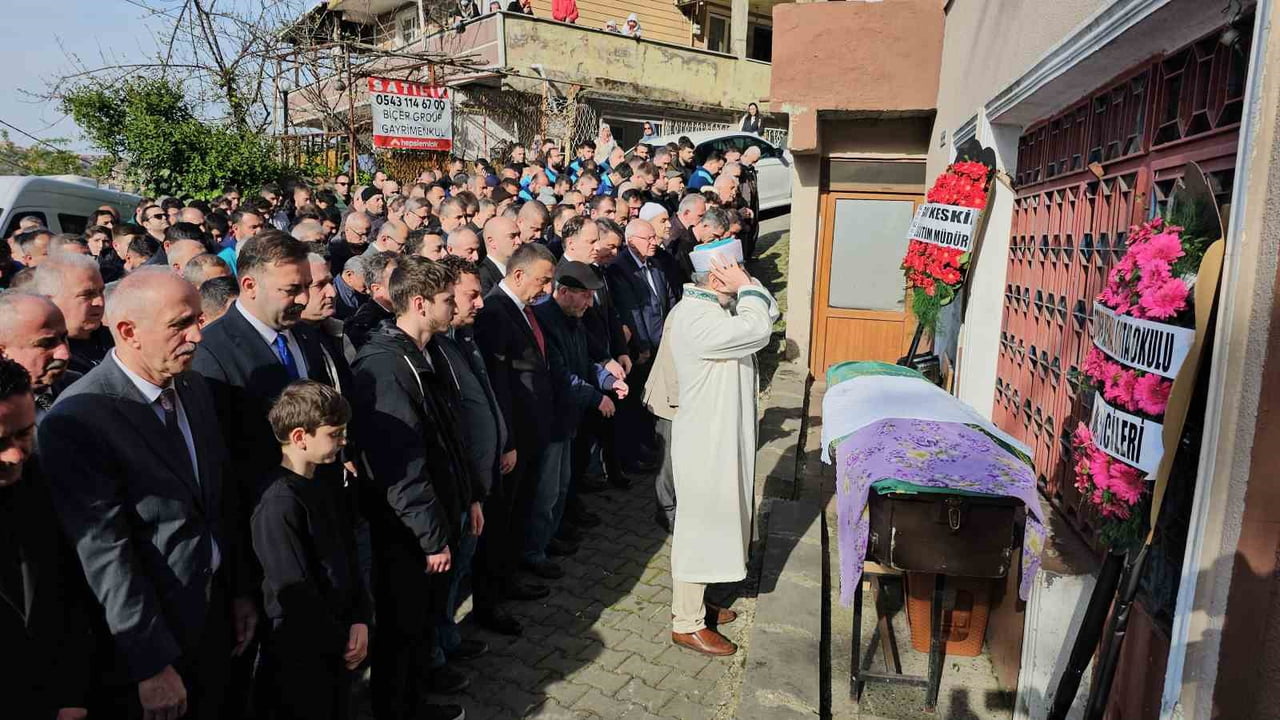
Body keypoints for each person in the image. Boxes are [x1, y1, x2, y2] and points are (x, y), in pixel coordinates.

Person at [40, 268, 256, 718]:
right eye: (180, 325)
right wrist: (150, 663)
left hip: (214, 621)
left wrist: (238, 591)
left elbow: (217, 501)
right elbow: (104, 554)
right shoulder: (79, 419)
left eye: (199, 319)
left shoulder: (193, 387)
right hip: (154, 642)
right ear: (128, 332)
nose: (198, 336)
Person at [351, 257, 476, 720]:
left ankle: (415, 700)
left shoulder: (428, 351)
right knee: (402, 626)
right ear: (421, 304)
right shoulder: (385, 366)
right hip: (405, 529)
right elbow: (398, 465)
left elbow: (449, 435)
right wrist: (429, 535)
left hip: (436, 513)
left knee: (420, 623)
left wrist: (468, 497)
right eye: (448, 300)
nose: (455, 307)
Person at [665, 240, 778, 656]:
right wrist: (746, 285)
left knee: (716, 523)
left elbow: (768, 312)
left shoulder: (714, 308)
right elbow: (759, 327)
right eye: (735, 271)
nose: (743, 278)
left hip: (720, 434)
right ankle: (686, 621)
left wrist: (745, 286)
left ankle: (700, 603)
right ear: (717, 277)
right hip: (705, 441)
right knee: (699, 529)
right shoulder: (697, 317)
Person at [252, 381, 369, 720]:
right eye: (335, 434)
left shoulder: (322, 483)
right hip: (304, 651)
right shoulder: (279, 504)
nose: (344, 441)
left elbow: (347, 555)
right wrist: (340, 637)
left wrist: (360, 617)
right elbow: (296, 591)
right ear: (301, 437)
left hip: (340, 637)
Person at [0, 356, 96, 720]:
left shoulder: (41, 483)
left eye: (24, 434)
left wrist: (72, 695)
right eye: (0, 440)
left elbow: (69, 591)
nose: (14, 455)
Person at [472, 243, 559, 612]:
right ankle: (494, 597)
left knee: (521, 509)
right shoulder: (494, 311)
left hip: (531, 431)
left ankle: (512, 576)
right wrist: (507, 440)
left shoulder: (522, 308)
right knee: (503, 518)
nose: (547, 290)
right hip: (514, 437)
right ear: (519, 274)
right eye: (543, 281)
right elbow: (499, 384)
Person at [434, 256, 515, 637]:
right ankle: (440, 649)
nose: (480, 303)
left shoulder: (465, 337)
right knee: (448, 581)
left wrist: (504, 439)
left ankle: (451, 638)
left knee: (474, 560)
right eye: (471, 296)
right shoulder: (435, 350)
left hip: (485, 473)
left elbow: (486, 397)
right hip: (463, 485)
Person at [33, 253, 112, 375]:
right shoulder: (43, 358)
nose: (100, 302)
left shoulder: (118, 341)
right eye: (87, 295)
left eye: (101, 292)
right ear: (50, 300)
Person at [0, 291, 74, 416]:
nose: (64, 354)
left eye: (64, 338)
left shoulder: (78, 387)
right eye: (46, 344)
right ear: (2, 352)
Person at [344, 251, 399, 350]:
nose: (404, 283)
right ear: (376, 289)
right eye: (396, 280)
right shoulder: (367, 325)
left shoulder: (401, 311)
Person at [477, 216, 524, 294]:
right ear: (491, 242)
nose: (519, 241)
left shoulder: (521, 268)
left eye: (519, 235)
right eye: (512, 236)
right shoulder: (482, 278)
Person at [334, 254, 368, 320]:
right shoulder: (333, 296)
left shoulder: (361, 292)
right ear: (349, 275)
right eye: (365, 285)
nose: (368, 291)